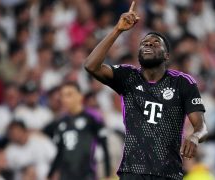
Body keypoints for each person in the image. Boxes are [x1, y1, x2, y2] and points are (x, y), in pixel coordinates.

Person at [84, 2, 208, 180]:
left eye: (155, 43)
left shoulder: (182, 82)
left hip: (168, 173)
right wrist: (118, 30)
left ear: (166, 56)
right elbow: (91, 66)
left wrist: (195, 136)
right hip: (132, 171)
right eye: (144, 43)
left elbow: (201, 126)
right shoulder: (128, 77)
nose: (148, 44)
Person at [48, 82, 111, 180]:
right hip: (65, 176)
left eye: (69, 95)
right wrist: (50, 174)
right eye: (62, 96)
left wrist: (107, 174)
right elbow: (60, 152)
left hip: (87, 174)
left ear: (79, 96)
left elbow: (105, 147)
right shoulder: (61, 122)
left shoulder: (93, 118)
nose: (64, 99)